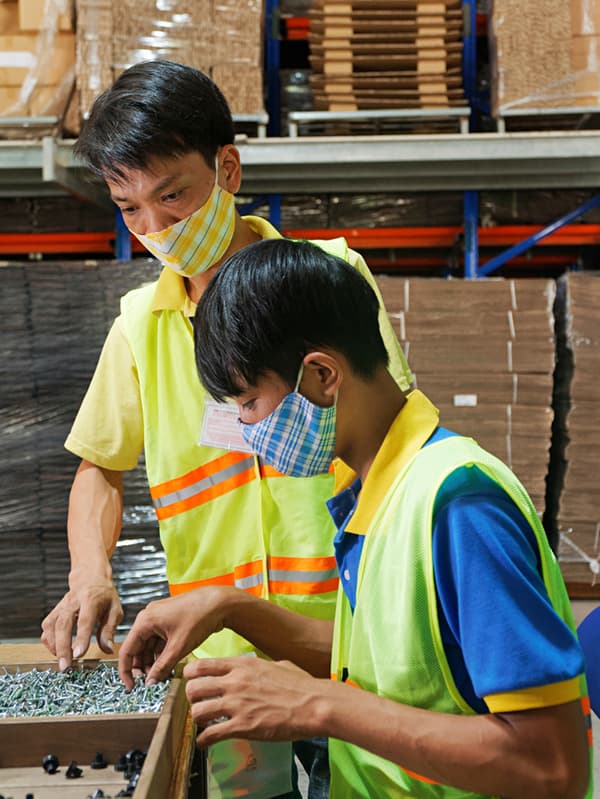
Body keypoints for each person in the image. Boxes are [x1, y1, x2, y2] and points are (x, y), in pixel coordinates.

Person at [39, 60, 413, 798]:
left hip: (349, 631)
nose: (157, 228)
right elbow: (98, 465)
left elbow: (394, 437)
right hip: (222, 653)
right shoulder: (139, 328)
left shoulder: (325, 278)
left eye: (172, 194)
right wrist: (90, 570)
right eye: (129, 207)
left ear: (228, 167)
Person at [119, 238, 593, 799]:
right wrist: (228, 608)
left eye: (248, 404)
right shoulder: (373, 491)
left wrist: (317, 705)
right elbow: (381, 667)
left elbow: (551, 767)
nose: (245, 432)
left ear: (321, 376)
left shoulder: (458, 505)